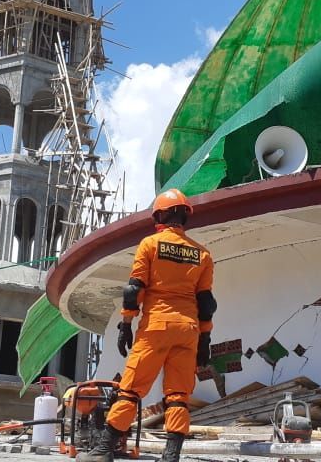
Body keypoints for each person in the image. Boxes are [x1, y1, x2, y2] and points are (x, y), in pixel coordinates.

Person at [76, 189, 217, 462]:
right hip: (188, 329)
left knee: (131, 390)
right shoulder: (202, 254)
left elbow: (134, 290)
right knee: (178, 394)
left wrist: (126, 323)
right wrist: (205, 340)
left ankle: (103, 451)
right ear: (185, 216)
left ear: (162, 215)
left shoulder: (150, 245)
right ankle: (171, 456)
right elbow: (206, 302)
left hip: (156, 327)